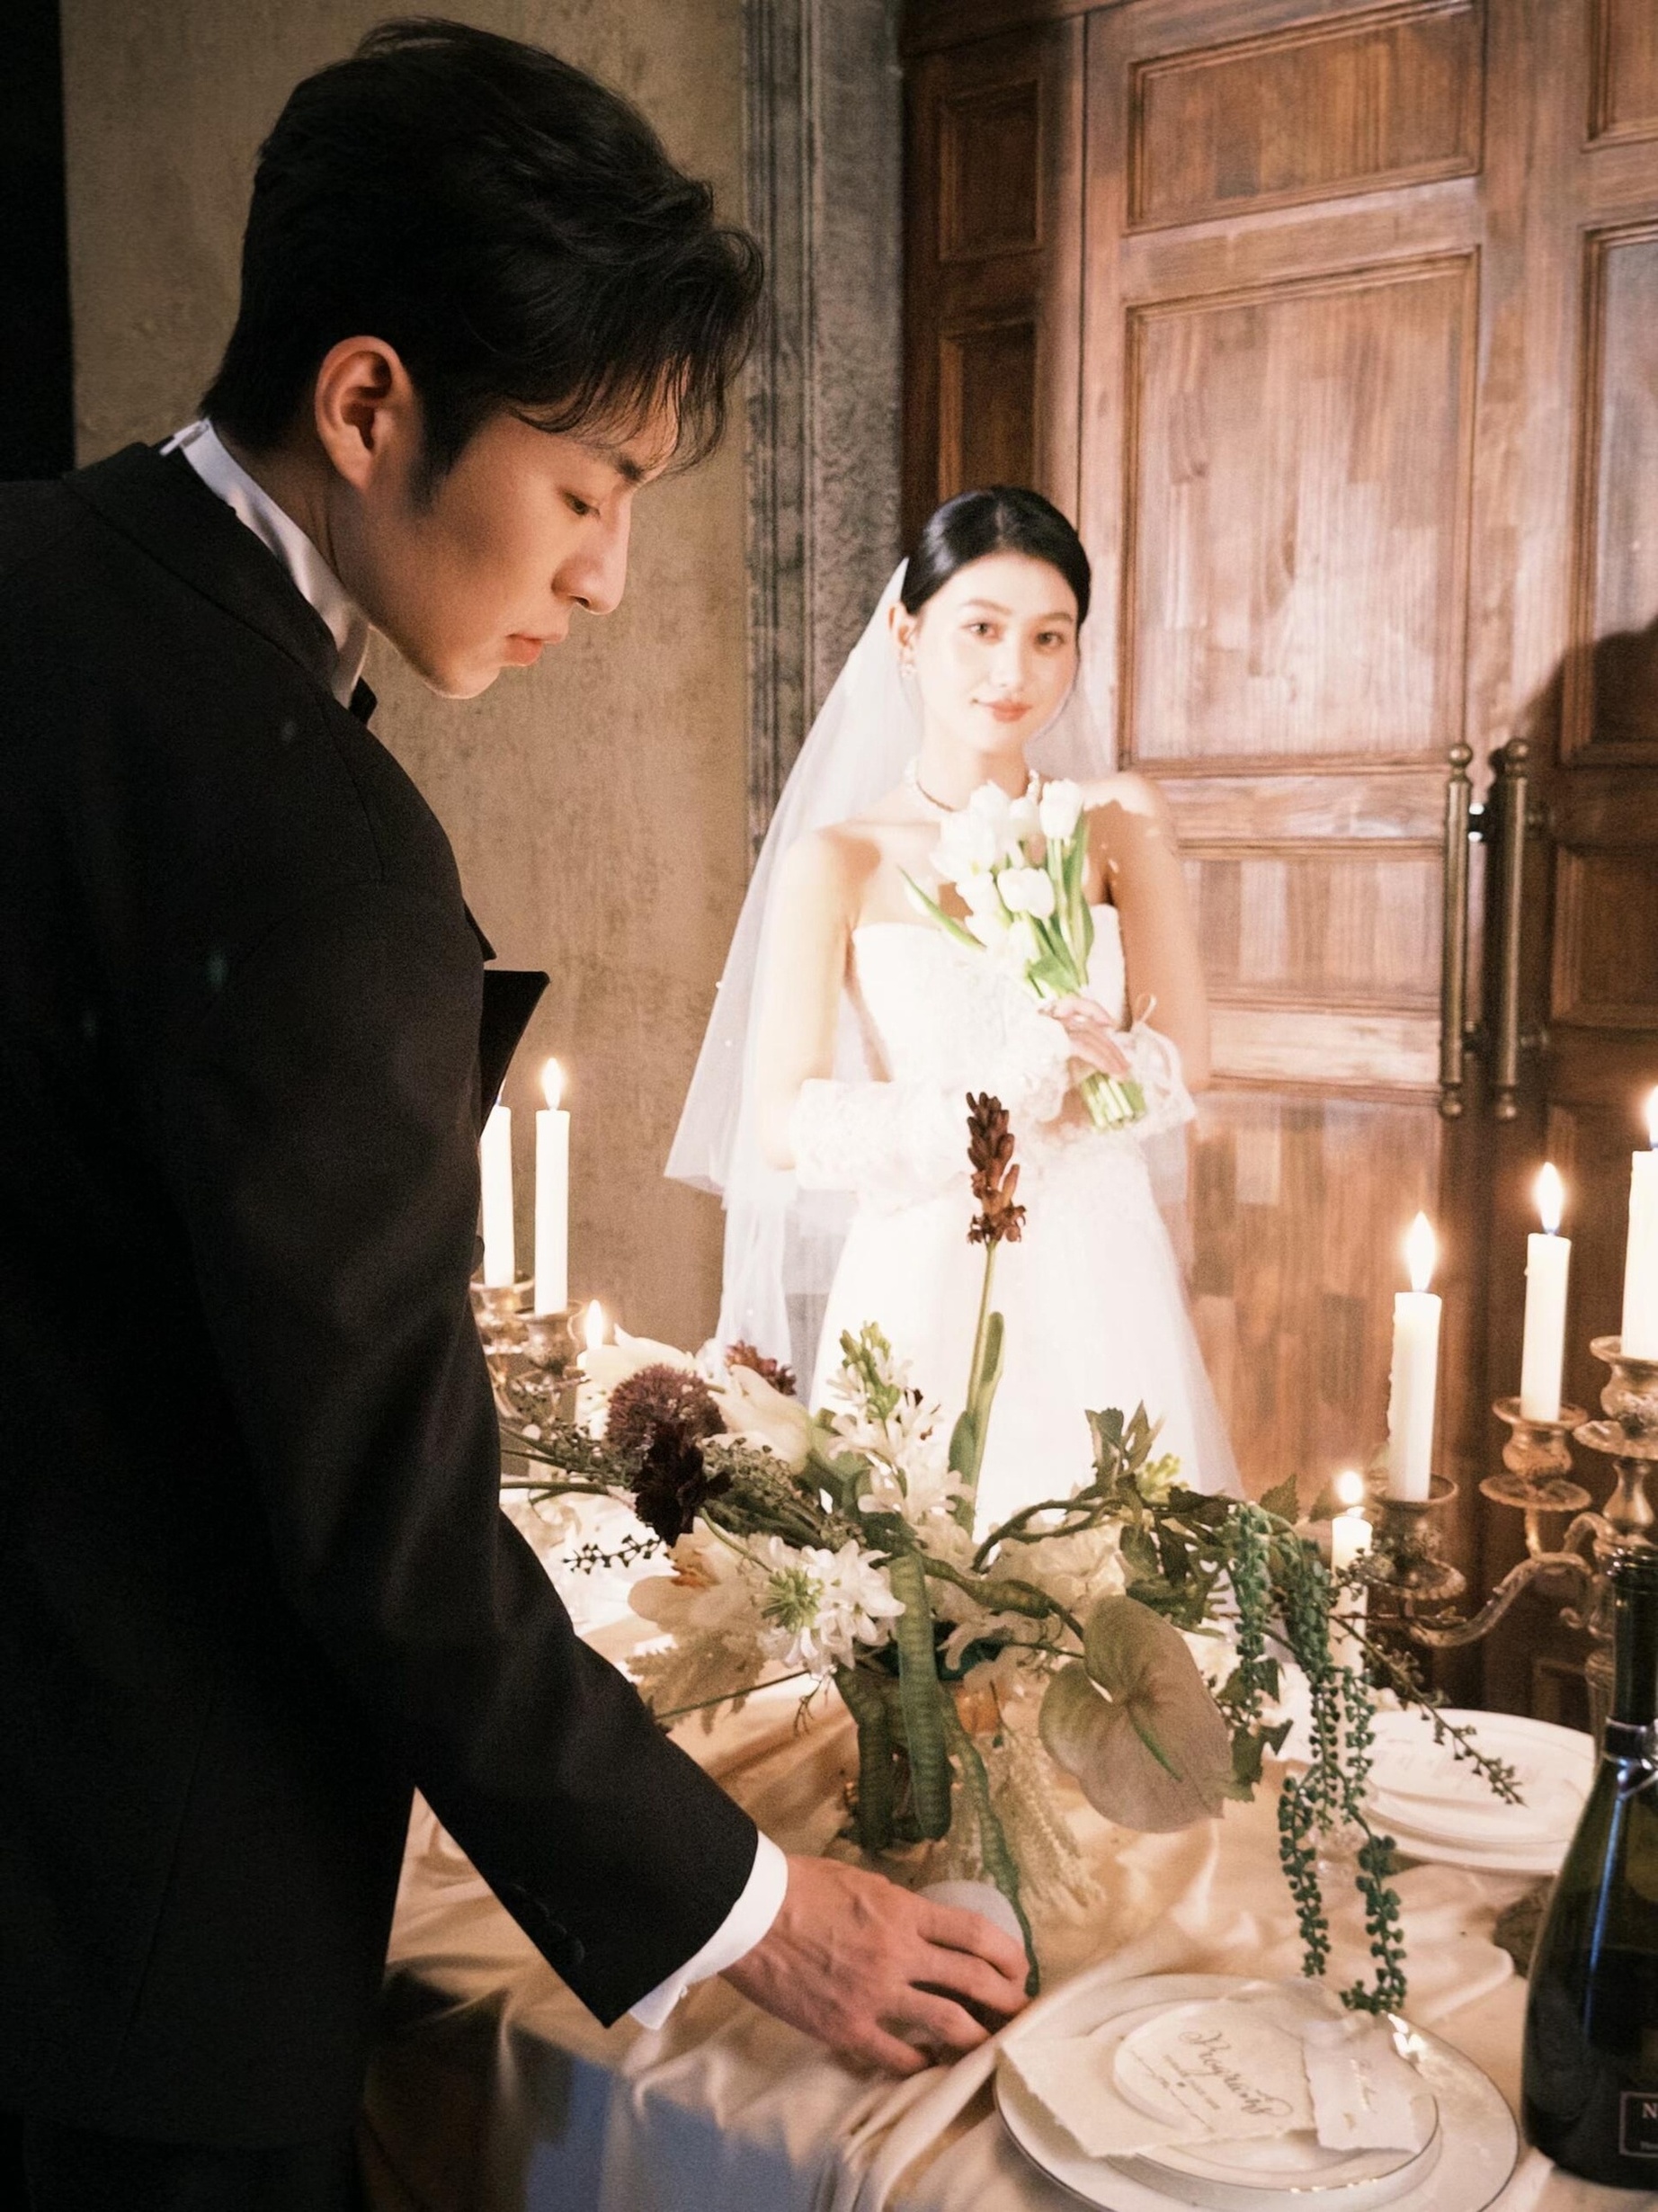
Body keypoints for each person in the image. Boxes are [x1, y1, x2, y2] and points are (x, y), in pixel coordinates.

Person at [0, 23, 1026, 2210]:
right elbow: (384, 1530)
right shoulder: (317, 850)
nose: (605, 577)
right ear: (370, 404)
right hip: (136, 1940)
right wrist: (758, 1911)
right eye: (586, 490)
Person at [671, 488, 1239, 1530]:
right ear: (905, 631)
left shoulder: (1117, 819)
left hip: (1099, 1266)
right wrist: (1003, 1097)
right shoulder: (839, 859)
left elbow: (1183, 1055)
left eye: (1047, 638)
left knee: (1120, 1568)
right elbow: (786, 1122)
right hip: (921, 1271)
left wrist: (1101, 1081)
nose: (1012, 671)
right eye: (980, 628)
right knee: (921, 1577)